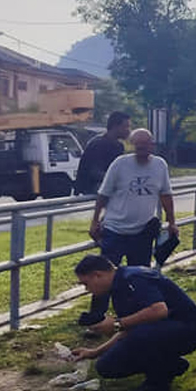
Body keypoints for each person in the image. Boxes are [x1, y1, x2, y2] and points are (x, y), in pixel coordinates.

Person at [70, 254, 196, 391]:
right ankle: (170, 364)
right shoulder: (118, 288)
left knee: (140, 336)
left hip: (186, 329)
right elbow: (127, 329)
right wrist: (95, 352)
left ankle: (157, 386)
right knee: (106, 366)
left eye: (86, 284)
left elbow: (159, 310)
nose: (87, 289)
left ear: (97, 275)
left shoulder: (134, 278)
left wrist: (116, 324)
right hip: (159, 332)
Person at [80, 129, 177, 327]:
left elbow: (165, 194)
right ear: (133, 146)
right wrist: (95, 220)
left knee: (139, 277)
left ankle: (135, 317)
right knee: (102, 275)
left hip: (142, 232)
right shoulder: (120, 164)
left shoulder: (160, 165)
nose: (142, 149)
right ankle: (97, 319)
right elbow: (103, 194)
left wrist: (172, 221)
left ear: (152, 145)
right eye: (138, 145)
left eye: (146, 145)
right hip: (115, 229)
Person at [75, 112, 131, 196]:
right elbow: (94, 172)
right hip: (90, 187)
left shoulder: (119, 146)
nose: (129, 130)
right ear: (115, 126)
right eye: (126, 127)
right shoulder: (98, 144)